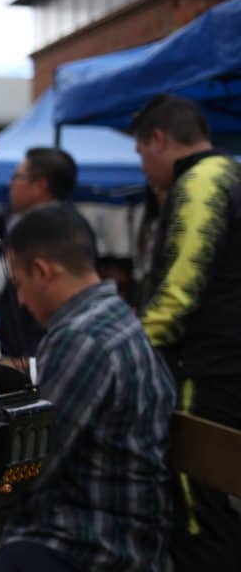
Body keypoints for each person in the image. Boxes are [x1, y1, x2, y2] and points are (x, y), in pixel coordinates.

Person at [0, 203, 175, 572]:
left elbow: (35, 462)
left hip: (94, 546)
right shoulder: (115, 316)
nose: (21, 302)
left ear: (42, 271)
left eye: (20, 286)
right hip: (123, 534)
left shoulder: (82, 337)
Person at [131, 93, 241, 570]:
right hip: (225, 366)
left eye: (140, 154)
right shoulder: (231, 172)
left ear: (158, 140)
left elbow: (179, 289)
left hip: (206, 373)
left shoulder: (200, 182)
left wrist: (127, 349)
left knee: (200, 516)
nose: (143, 168)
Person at [0, 148, 78, 358]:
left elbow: (52, 302)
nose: (11, 184)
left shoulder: (58, 231)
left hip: (37, 361)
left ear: (40, 185)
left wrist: (28, 363)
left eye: (17, 177)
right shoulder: (51, 225)